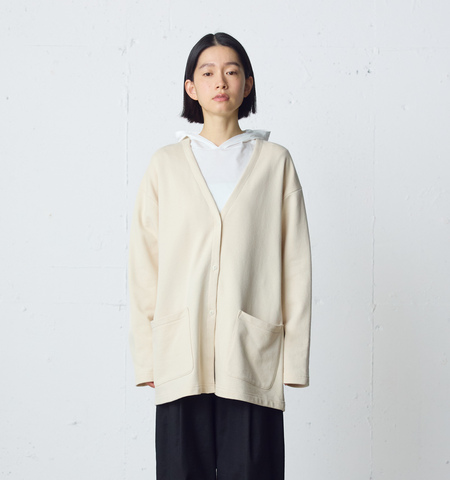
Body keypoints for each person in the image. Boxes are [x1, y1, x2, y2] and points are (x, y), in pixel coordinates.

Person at [128, 32, 312, 480]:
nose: (220, 82)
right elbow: (144, 265)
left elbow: (295, 264)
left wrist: (293, 359)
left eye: (231, 71)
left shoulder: (275, 163)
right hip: (180, 353)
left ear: (247, 85)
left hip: (250, 354)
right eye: (207, 72)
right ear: (191, 87)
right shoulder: (165, 165)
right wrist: (147, 356)